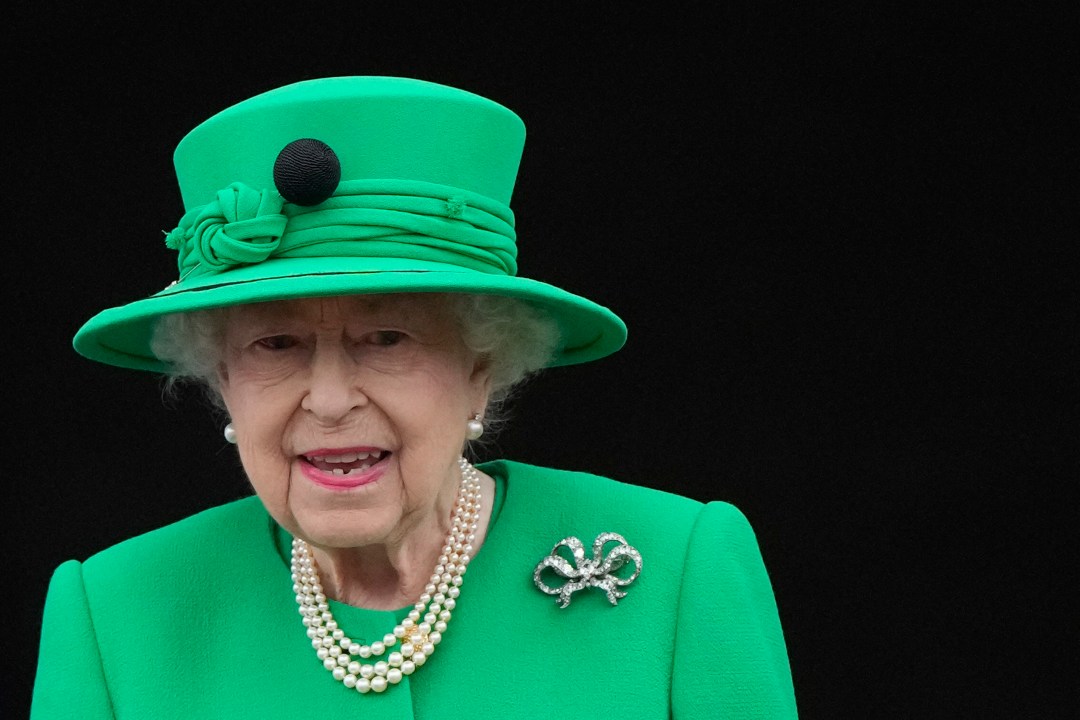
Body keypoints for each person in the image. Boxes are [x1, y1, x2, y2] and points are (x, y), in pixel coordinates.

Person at [31, 75, 798, 718]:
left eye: (387, 338)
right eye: (276, 344)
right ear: (222, 381)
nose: (328, 400)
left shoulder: (678, 569)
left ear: (482, 367)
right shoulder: (113, 613)